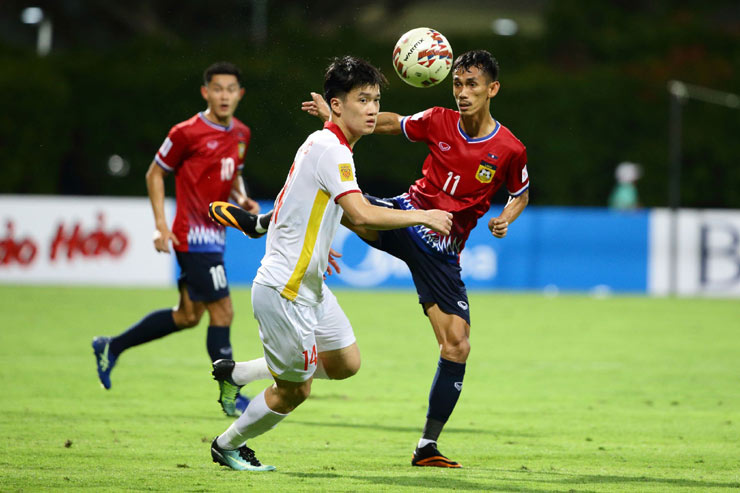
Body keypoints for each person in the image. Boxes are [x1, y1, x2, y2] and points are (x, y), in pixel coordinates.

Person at [208, 55, 452, 472]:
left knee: (345, 363)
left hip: (311, 284)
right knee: (294, 392)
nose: (373, 108)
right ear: (337, 104)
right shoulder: (331, 151)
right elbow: (360, 213)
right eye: (363, 99)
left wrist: (317, 238)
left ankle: (238, 373)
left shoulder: (326, 144)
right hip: (286, 291)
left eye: (376, 99)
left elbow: (297, 201)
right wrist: (423, 214)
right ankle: (227, 444)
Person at [300, 49, 530, 467]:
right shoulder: (438, 120)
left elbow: (520, 193)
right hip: (407, 216)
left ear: (492, 89)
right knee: (349, 205)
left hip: (444, 249)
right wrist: (334, 121)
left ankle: (427, 446)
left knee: (457, 345)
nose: (462, 93)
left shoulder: (510, 148)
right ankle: (265, 222)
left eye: (471, 85)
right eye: (457, 84)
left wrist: (506, 218)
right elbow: (386, 123)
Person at [91, 61, 270, 417]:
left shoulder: (241, 134)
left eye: (230, 89)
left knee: (188, 315)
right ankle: (230, 394)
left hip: (215, 234)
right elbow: (155, 173)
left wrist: (242, 196)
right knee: (223, 310)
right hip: (192, 236)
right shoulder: (185, 132)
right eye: (216, 89)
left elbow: (234, 171)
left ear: (239, 94)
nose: (223, 95)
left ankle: (111, 346)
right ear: (206, 92)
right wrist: (161, 225)